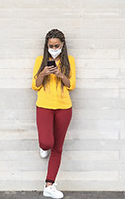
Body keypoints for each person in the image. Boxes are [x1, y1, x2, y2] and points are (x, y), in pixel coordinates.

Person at [31, 29, 76, 199]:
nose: (54, 48)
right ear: (47, 46)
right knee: (47, 142)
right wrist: (43, 73)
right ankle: (43, 147)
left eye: (57, 46)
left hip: (64, 107)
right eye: (51, 46)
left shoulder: (69, 61)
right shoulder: (39, 61)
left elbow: (71, 85)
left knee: (58, 147)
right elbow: (35, 85)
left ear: (62, 45)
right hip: (44, 105)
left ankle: (49, 185)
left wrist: (60, 74)